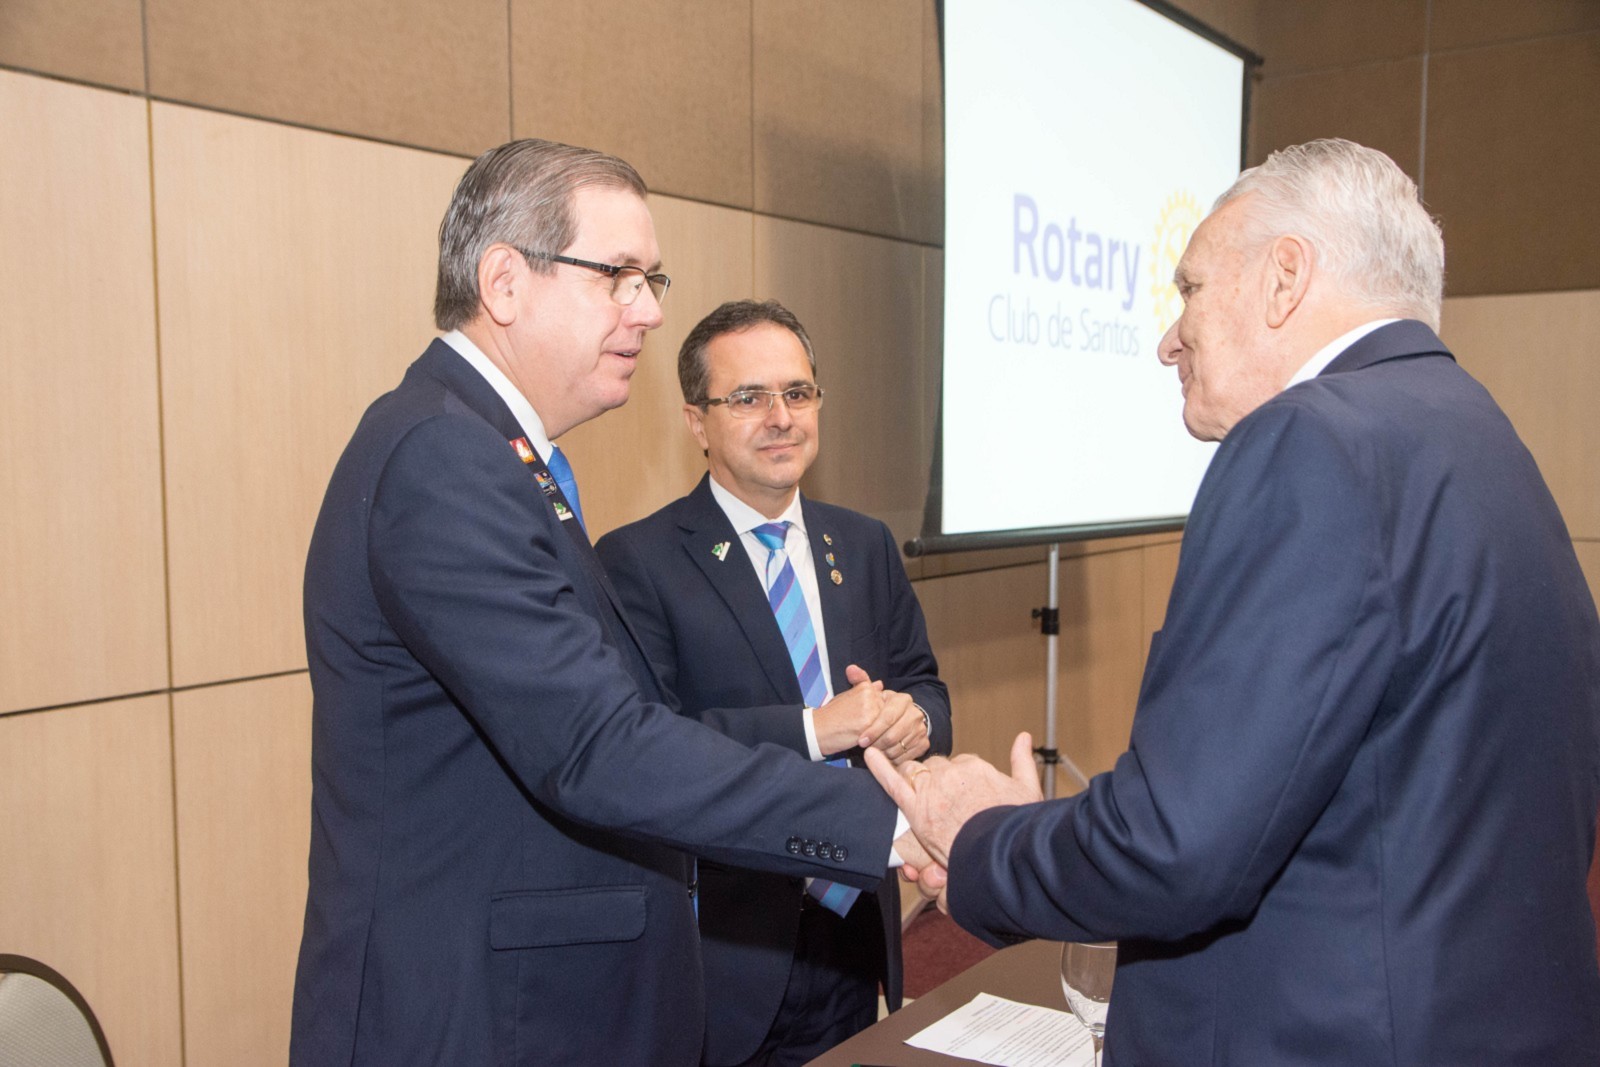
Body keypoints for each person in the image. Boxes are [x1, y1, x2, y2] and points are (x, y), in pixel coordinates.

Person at [870, 139, 1600, 1065]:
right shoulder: (1479, 433)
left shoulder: (1310, 441)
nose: (1167, 339)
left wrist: (981, 837)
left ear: (1285, 278)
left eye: (1190, 289)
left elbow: (1178, 848)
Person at [290, 140, 921, 1067]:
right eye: (619, 275)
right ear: (505, 282)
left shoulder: (499, 454)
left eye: (651, 279)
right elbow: (597, 744)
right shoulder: (443, 458)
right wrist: (896, 820)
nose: (651, 310)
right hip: (471, 1018)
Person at [595, 300, 953, 1065]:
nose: (781, 416)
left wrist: (911, 720)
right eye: (749, 397)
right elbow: (645, 746)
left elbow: (929, 691)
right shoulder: (637, 562)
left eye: (797, 392)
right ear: (697, 421)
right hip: (731, 952)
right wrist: (818, 727)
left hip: (856, 927)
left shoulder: (864, 543)